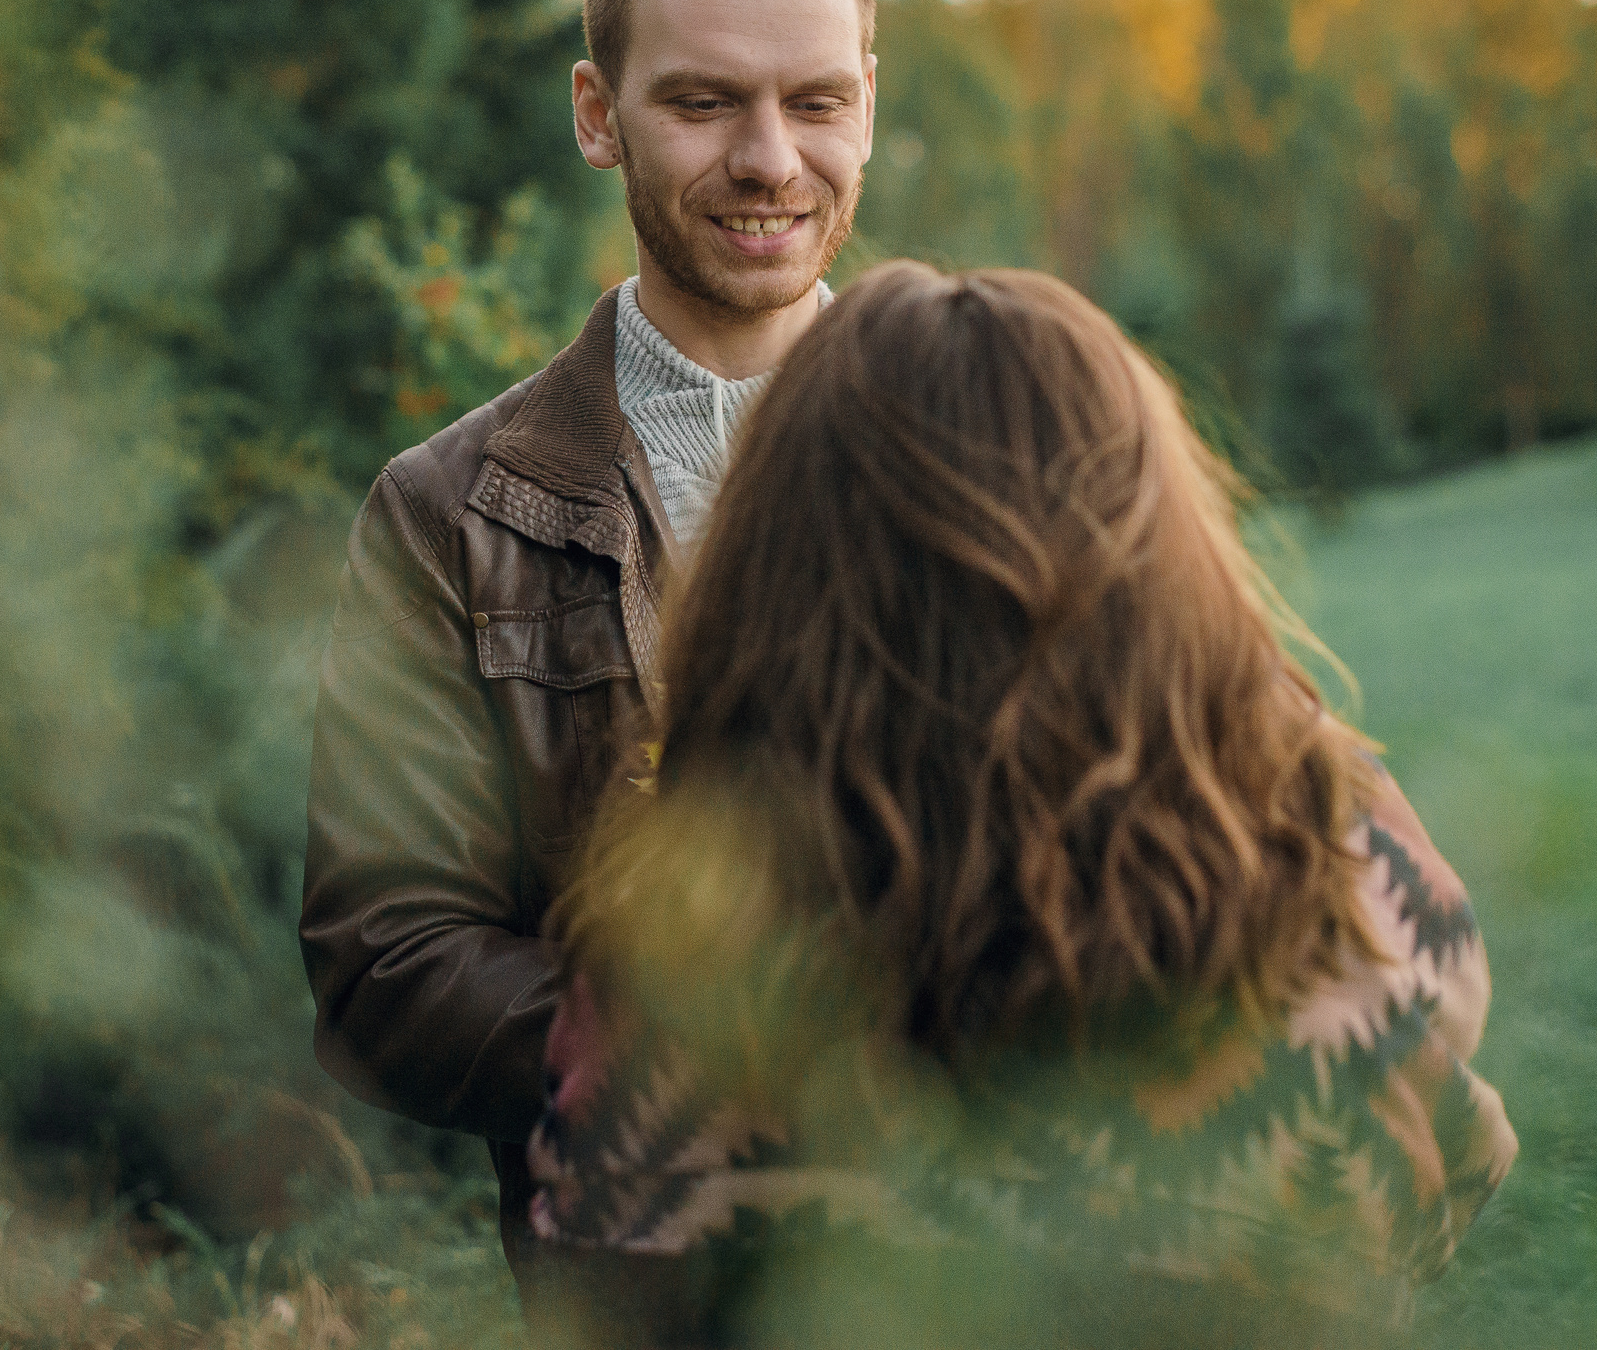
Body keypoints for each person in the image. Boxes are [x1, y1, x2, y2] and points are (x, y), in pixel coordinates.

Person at [531, 263, 1518, 1349]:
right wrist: (1249, 707)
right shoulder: (1332, 903)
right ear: (1161, 561)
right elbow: (1452, 1143)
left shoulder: (657, 978)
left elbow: (587, 1253)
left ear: (765, 578)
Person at [297, 0, 879, 1292]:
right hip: (637, 1298)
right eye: (703, 103)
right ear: (595, 113)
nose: (769, 160)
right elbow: (387, 966)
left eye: (815, 101)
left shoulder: (1009, 452)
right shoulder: (444, 512)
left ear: (868, 97)